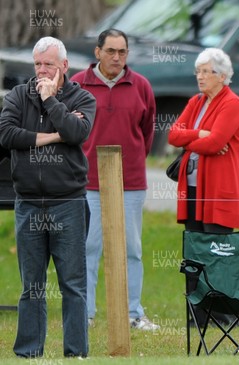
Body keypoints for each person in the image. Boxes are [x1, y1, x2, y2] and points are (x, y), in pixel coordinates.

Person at [0, 36, 96, 358]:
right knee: (32, 286)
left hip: (67, 202)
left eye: (49, 65)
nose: (41, 71)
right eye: (37, 64)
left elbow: (77, 133)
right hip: (28, 202)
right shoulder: (17, 95)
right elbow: (7, 135)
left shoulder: (82, 98)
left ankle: (76, 353)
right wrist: (54, 137)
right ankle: (29, 352)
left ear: (64, 66)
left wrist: (52, 102)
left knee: (72, 284)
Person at [70, 29, 158, 330]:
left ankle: (134, 313)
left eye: (122, 52)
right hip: (88, 181)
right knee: (89, 248)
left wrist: (132, 160)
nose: (116, 57)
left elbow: (146, 133)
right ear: (97, 52)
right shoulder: (78, 84)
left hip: (131, 181)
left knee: (132, 249)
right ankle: (87, 314)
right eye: (110, 51)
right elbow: (68, 131)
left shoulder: (141, 85)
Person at [167, 47, 239, 325]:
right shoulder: (196, 102)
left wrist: (198, 139)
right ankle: (196, 315)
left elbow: (216, 143)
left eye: (206, 71)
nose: (199, 77)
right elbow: (173, 135)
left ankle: (222, 313)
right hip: (191, 190)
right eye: (197, 71)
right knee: (194, 252)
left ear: (222, 76)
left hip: (218, 193)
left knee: (217, 252)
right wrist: (199, 134)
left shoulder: (232, 103)